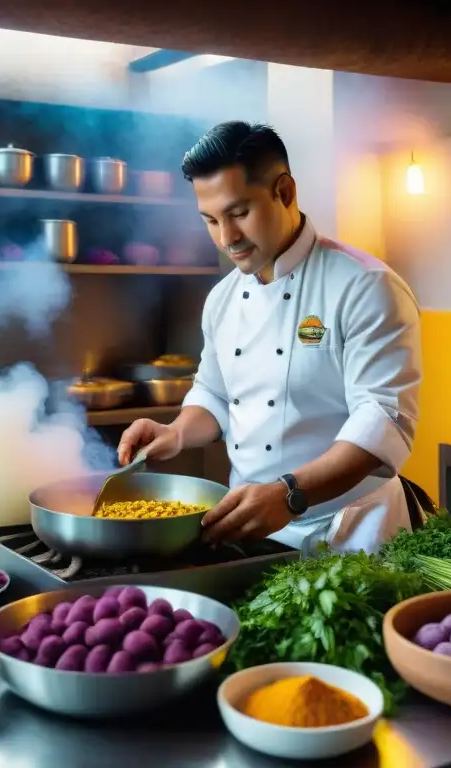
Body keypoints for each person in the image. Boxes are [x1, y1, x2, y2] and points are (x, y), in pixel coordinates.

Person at [117, 121, 422, 554]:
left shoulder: (365, 286)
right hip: (250, 526)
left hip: (353, 534)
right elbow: (215, 395)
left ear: (285, 192)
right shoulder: (222, 300)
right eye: (210, 220)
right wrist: (177, 432)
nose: (227, 238)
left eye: (239, 213)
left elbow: (382, 421)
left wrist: (288, 493)